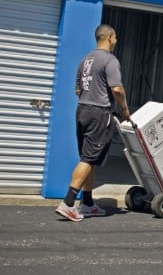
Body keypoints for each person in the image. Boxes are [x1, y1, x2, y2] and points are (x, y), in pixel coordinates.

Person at [55, 24, 131, 222]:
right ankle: (68, 203)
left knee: (90, 159)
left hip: (82, 110)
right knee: (88, 159)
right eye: (115, 37)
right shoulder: (110, 60)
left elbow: (77, 90)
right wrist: (124, 108)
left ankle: (87, 203)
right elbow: (116, 89)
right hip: (99, 113)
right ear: (108, 37)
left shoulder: (85, 60)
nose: (116, 41)